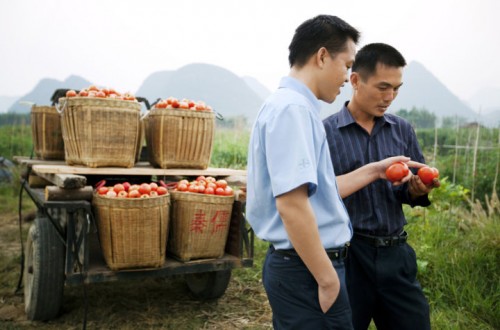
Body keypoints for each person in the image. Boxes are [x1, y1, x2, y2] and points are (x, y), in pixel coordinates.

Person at [246, 16, 421, 329]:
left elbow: (320, 191)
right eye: (346, 64)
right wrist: (327, 280)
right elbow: (292, 205)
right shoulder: (293, 111)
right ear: (322, 56)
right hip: (307, 269)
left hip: (303, 267)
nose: (346, 76)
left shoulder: (292, 107)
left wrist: (376, 169)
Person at [323, 43, 440, 330]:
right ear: (355, 80)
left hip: (395, 254)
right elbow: (320, 196)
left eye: (397, 88)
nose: (390, 97)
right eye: (383, 87)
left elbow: (406, 190)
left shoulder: (402, 129)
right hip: (350, 257)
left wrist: (417, 189)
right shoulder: (325, 133)